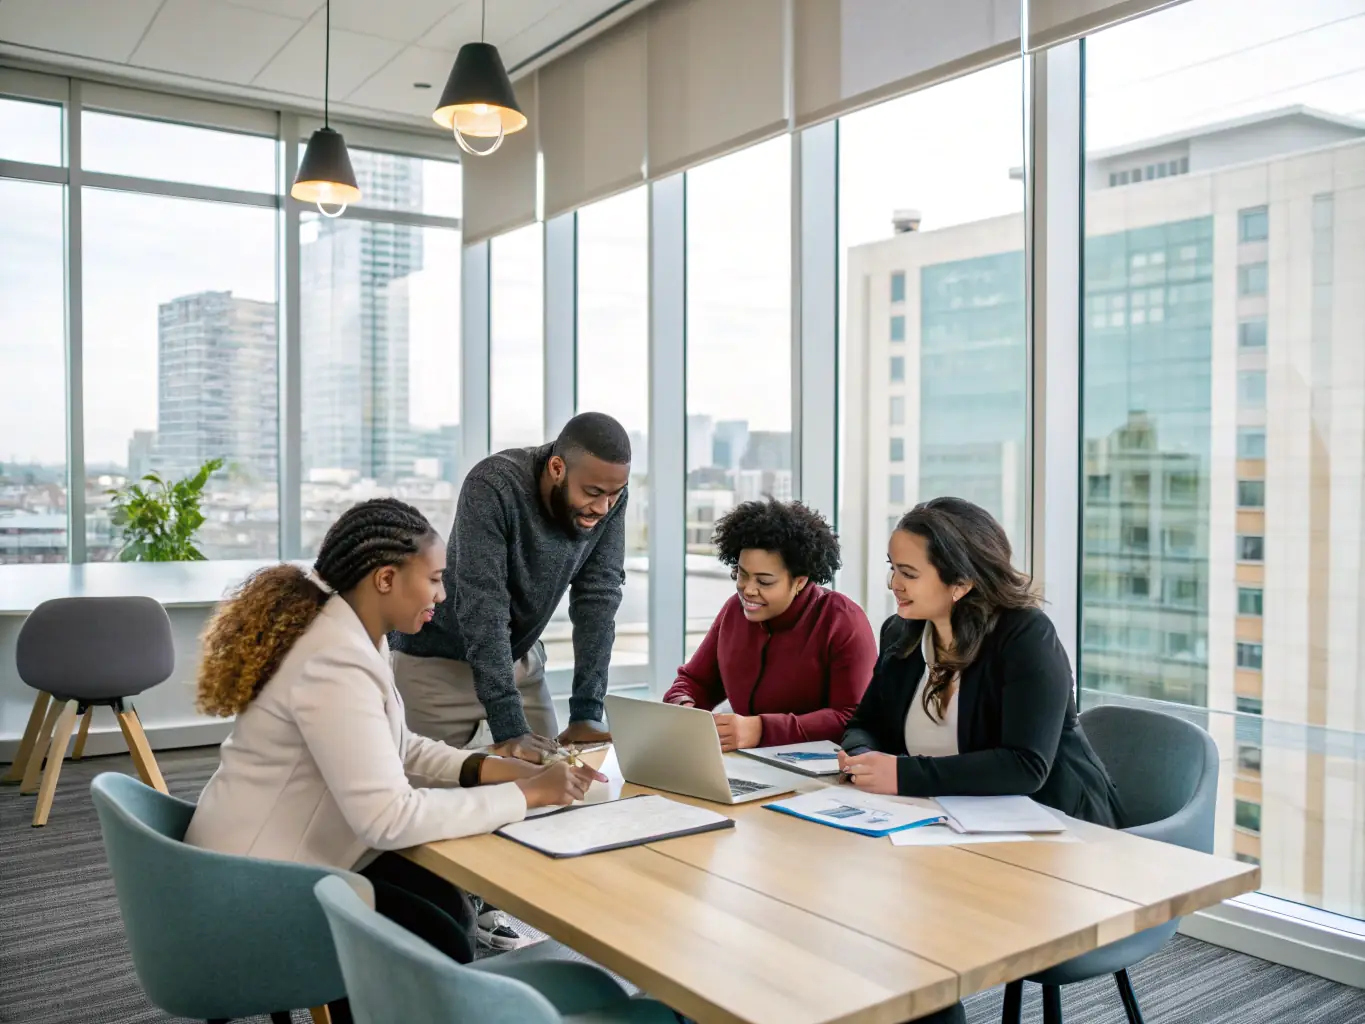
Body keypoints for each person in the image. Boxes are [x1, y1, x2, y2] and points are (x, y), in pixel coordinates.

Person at [185, 497, 605, 1024]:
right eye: (434, 579)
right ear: (386, 579)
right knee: (433, 936)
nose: (443, 594)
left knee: (442, 906)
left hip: (259, 859)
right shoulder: (334, 659)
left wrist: (489, 769)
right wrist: (526, 794)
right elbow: (388, 818)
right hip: (254, 890)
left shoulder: (348, 632)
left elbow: (398, 745)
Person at [839, 496, 1123, 826]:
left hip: (1057, 822)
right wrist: (863, 759)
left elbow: (1025, 765)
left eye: (909, 574)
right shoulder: (901, 632)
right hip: (943, 817)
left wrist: (903, 774)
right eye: (893, 568)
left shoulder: (1026, 635)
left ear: (961, 583)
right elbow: (865, 725)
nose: (894, 584)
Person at [390, 412, 630, 766]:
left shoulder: (607, 497)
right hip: (436, 669)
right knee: (445, 795)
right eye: (592, 493)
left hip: (519, 666)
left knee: (557, 785)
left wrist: (587, 712)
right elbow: (483, 608)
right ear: (558, 468)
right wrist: (510, 729)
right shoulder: (493, 485)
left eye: (614, 494)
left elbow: (598, 598)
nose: (603, 507)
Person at [663, 498, 876, 751]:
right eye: (742, 574)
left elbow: (852, 717)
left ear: (800, 581)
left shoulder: (842, 620)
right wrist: (685, 707)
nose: (748, 590)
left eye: (764, 582)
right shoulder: (734, 610)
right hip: (746, 762)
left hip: (822, 767)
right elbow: (696, 681)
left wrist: (761, 729)